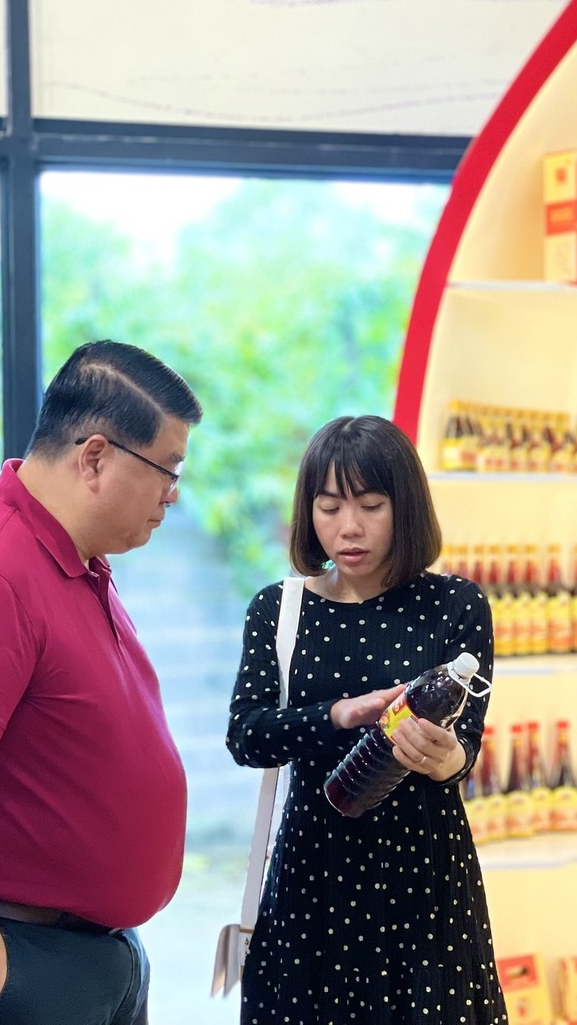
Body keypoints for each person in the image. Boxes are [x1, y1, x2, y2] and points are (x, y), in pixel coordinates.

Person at [0, 340, 201, 1025]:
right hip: (24, 958)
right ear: (95, 457)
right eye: (167, 468)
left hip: (88, 951)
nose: (172, 493)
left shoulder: (76, 558)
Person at [227, 414, 507, 1024]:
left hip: (424, 877)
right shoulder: (279, 609)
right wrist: (335, 716)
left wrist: (446, 758)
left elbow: (465, 746)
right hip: (312, 875)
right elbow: (246, 736)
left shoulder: (456, 605)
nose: (348, 527)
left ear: (405, 508)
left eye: (371, 506)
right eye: (329, 507)